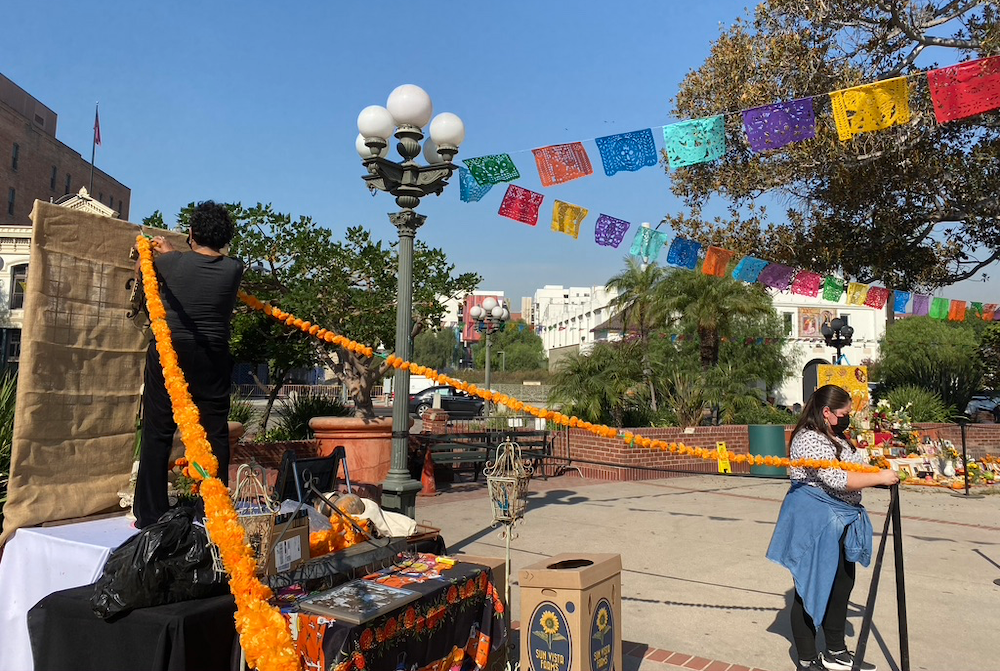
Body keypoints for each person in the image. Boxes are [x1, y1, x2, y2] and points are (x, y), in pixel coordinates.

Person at [766, 385, 898, 671]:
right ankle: (807, 658)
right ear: (826, 412)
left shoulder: (836, 435)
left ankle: (835, 652)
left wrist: (877, 471)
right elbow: (836, 479)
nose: (847, 417)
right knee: (810, 586)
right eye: (844, 413)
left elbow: (855, 467)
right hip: (815, 520)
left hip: (839, 519)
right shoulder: (809, 439)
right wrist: (879, 478)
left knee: (841, 585)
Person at [134, 201, 244, 529]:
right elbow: (199, 264)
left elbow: (146, 269)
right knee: (214, 434)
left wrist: (161, 252)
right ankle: (210, 511)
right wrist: (174, 253)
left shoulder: (172, 263)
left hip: (170, 353)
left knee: (158, 432)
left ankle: (149, 514)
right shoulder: (234, 269)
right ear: (225, 238)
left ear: (192, 234)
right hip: (212, 355)